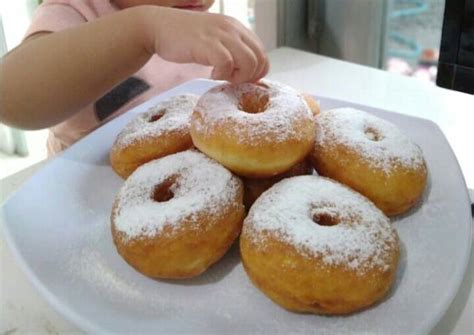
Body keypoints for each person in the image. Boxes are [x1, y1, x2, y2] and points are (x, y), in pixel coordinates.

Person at [0, 0, 268, 155]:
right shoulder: (76, 10)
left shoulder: (197, 21)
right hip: (85, 203)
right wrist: (144, 30)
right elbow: (10, 96)